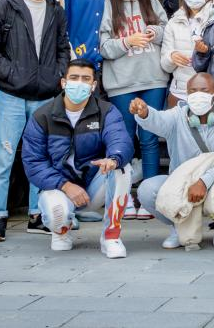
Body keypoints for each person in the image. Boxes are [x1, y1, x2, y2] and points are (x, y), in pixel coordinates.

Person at [0, 0, 69, 241]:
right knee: (3, 156)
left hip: (45, 95)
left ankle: (37, 214)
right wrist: (12, 73)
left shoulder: (55, 7)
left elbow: (62, 46)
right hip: (11, 95)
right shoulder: (7, 6)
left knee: (40, 157)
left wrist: (58, 73)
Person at [21, 60, 134, 258]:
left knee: (122, 168)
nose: (79, 83)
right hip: (58, 187)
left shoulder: (106, 111)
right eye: (74, 78)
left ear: (93, 85)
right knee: (57, 214)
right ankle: (61, 232)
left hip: (93, 186)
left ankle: (111, 236)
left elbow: (120, 139)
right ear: (63, 82)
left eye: (85, 79)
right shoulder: (42, 116)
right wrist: (65, 185)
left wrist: (114, 158)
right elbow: (33, 162)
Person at [130, 73, 214, 249]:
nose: (198, 95)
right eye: (193, 91)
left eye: (204, 90)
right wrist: (144, 113)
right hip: (180, 184)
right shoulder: (177, 115)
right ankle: (177, 227)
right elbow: (157, 120)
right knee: (147, 189)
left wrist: (204, 181)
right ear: (187, 94)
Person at [98, 0, 170, 216]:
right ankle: (124, 196)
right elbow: (104, 47)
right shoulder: (108, 4)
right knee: (124, 140)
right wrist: (127, 42)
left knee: (150, 138)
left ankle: (149, 198)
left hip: (153, 78)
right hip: (121, 82)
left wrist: (154, 33)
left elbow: (166, 29)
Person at [161, 0, 214, 106]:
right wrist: (171, 56)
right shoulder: (174, 21)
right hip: (179, 93)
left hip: (209, 94)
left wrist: (204, 52)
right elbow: (165, 66)